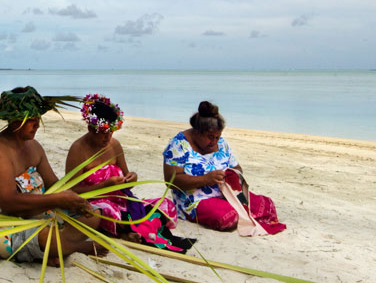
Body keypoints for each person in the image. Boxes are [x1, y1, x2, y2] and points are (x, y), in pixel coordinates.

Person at [0, 86, 107, 264]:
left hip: (37, 217)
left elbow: (53, 184)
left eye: (37, 117)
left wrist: (76, 200)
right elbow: (9, 203)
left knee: (93, 216)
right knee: (44, 237)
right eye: (31, 119)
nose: (37, 123)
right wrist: (58, 200)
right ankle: (74, 247)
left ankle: (60, 246)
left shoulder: (34, 147)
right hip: (0, 225)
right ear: (15, 121)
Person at [66, 94, 191, 252]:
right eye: (104, 133)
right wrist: (104, 186)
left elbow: (128, 180)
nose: (108, 137)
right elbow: (72, 191)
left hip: (122, 201)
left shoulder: (114, 145)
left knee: (165, 205)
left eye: (111, 132)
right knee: (104, 213)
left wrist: (132, 177)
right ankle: (126, 232)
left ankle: (128, 231)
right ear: (91, 129)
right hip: (96, 204)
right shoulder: (78, 150)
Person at [163, 101, 285, 233]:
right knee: (226, 217)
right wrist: (206, 179)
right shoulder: (178, 145)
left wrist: (231, 174)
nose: (214, 141)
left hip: (227, 195)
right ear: (197, 132)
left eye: (217, 137)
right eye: (210, 137)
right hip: (195, 200)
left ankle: (238, 211)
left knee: (267, 204)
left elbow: (237, 168)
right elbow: (171, 181)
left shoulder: (221, 143)